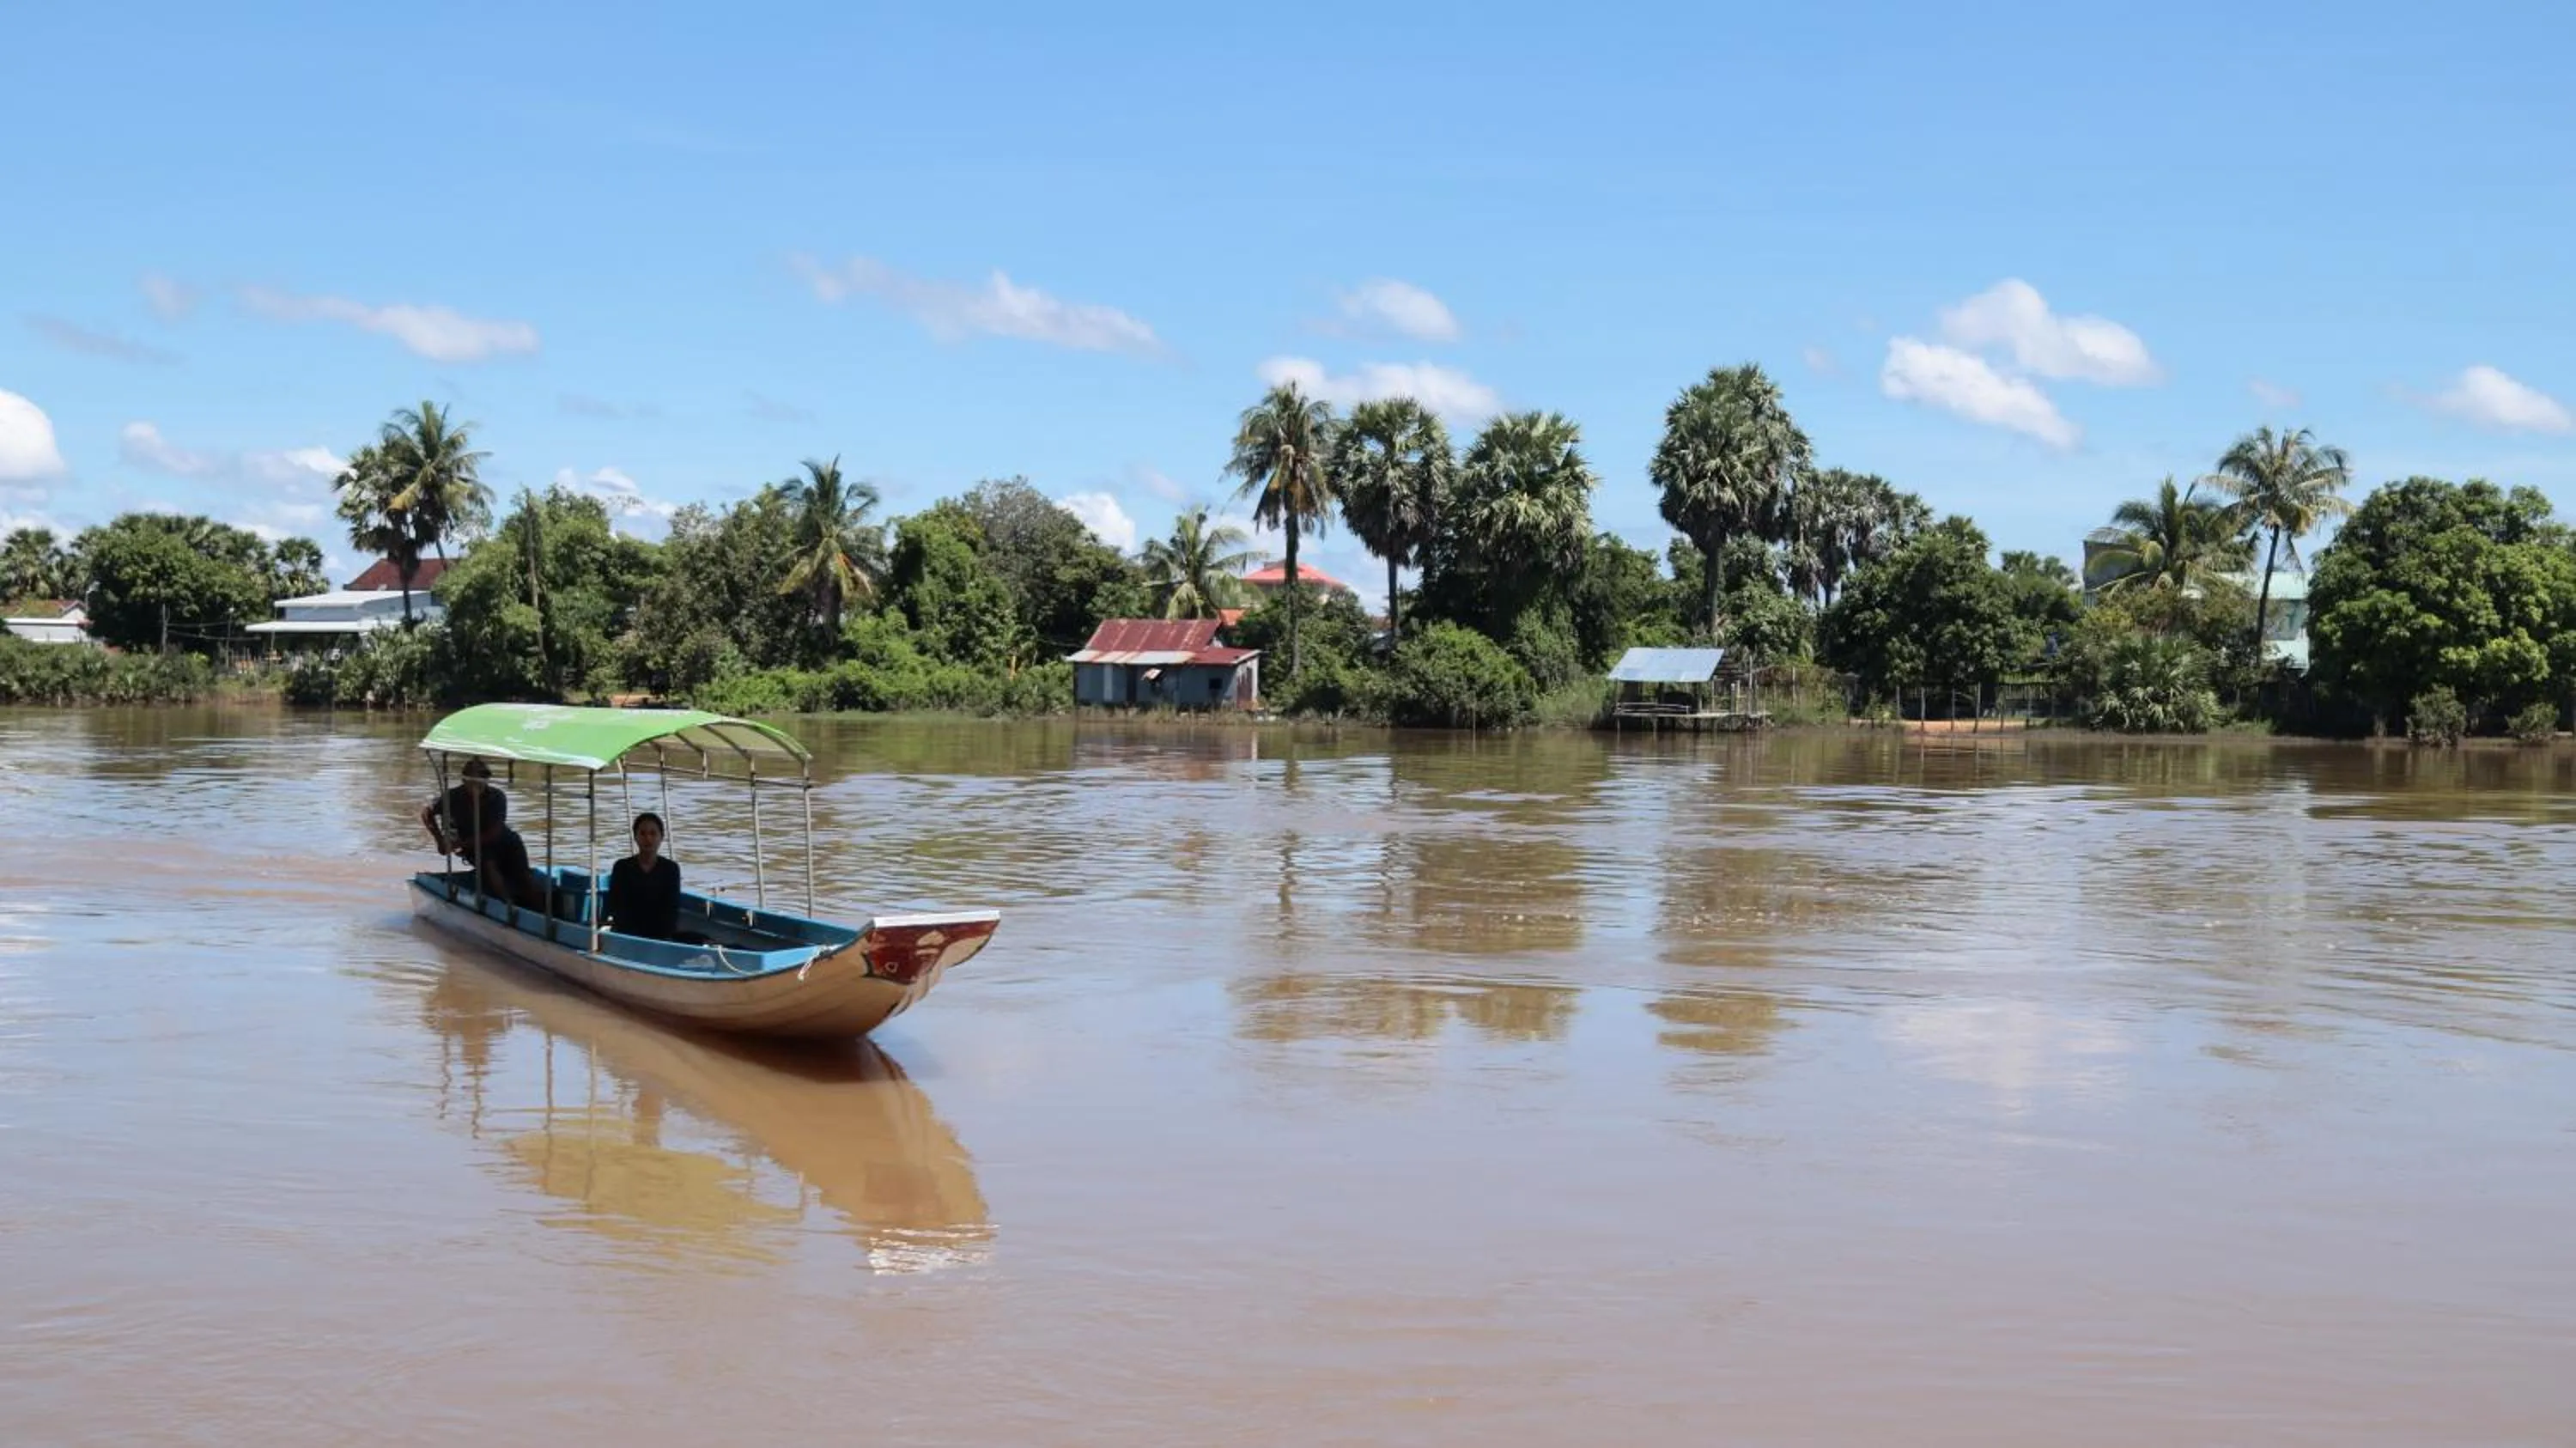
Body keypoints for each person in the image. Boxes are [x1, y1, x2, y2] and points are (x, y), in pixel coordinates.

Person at [605, 812, 684, 940]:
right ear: (635, 837)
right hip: (627, 935)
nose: (648, 839)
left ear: (661, 837)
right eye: (642, 834)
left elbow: (671, 909)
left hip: (661, 935)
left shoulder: (671, 868)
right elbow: (617, 907)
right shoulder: (622, 867)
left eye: (653, 834)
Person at [420, 757, 507, 868]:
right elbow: (427, 813)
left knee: (517, 862)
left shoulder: (496, 796)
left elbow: (494, 832)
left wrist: (457, 845)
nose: (479, 784)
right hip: (469, 841)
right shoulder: (452, 796)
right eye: (474, 780)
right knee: (490, 864)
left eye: (483, 778)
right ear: (464, 780)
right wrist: (440, 839)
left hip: (497, 838)